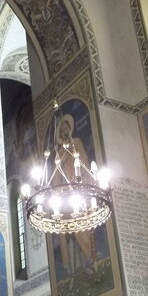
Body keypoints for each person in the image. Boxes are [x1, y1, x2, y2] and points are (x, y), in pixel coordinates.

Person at [55, 114, 97, 280]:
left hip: (78, 187)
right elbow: (57, 174)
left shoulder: (77, 142)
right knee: (69, 230)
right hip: (66, 192)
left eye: (67, 128)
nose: (65, 131)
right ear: (60, 134)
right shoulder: (59, 152)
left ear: (70, 129)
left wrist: (85, 182)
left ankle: (90, 260)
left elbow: (84, 161)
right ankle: (75, 267)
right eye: (62, 130)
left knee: (82, 224)